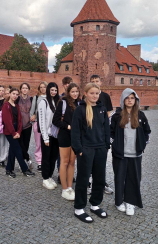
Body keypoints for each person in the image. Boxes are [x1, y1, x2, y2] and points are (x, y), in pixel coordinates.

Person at [71, 83, 110, 223]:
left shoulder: (102, 109)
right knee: (83, 178)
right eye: (92, 93)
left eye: (97, 93)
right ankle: (79, 208)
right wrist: (79, 149)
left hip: (100, 149)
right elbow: (75, 132)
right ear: (86, 93)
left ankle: (95, 204)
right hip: (86, 149)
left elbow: (106, 129)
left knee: (99, 178)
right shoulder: (80, 110)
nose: (95, 96)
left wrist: (106, 146)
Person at [111, 88, 151, 216]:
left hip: (135, 154)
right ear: (123, 99)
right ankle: (118, 202)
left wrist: (142, 143)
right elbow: (110, 132)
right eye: (127, 98)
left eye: (132, 98)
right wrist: (114, 144)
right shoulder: (117, 116)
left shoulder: (140, 115)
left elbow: (146, 131)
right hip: (120, 153)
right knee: (120, 177)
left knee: (133, 178)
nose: (129, 100)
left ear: (136, 100)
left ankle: (130, 202)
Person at [52, 83, 80, 200]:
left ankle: (69, 187)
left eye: (76, 91)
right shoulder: (62, 103)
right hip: (65, 135)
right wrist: (68, 126)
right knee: (64, 161)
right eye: (72, 91)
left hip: (76, 136)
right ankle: (64, 189)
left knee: (72, 162)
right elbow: (55, 120)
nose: (75, 94)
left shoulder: (80, 103)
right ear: (68, 92)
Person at [89, 74, 114, 195]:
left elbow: (108, 115)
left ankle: (102, 183)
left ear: (100, 82)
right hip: (89, 134)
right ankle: (89, 183)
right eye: (92, 81)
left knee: (101, 161)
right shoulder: (87, 97)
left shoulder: (105, 96)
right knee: (88, 161)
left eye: (96, 81)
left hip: (102, 133)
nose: (95, 82)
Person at [1, 88, 35, 178]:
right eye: (13, 93)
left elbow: (20, 120)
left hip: (16, 130)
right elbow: (7, 121)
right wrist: (13, 133)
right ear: (10, 94)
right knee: (18, 149)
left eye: (16, 94)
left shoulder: (16, 106)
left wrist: (19, 132)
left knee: (12, 150)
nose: (15, 96)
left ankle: (9, 169)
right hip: (9, 131)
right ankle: (25, 169)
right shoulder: (6, 105)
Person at [37, 82, 60, 190]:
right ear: (48, 90)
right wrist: (45, 137)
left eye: (55, 90)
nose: (54, 92)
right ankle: (45, 178)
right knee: (46, 157)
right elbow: (41, 121)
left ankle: (50, 176)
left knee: (53, 157)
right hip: (47, 134)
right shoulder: (43, 102)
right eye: (52, 90)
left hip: (55, 135)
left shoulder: (57, 102)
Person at [29, 81, 47, 172]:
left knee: (46, 143)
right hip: (37, 123)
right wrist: (33, 123)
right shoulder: (36, 98)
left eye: (44, 87)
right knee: (38, 144)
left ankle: (45, 161)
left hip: (47, 124)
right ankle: (39, 162)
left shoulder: (50, 97)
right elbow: (32, 111)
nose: (43, 88)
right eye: (41, 87)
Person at [17, 83, 33, 168]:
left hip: (28, 125)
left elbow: (34, 110)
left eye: (26, 88)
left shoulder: (31, 99)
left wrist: (34, 115)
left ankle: (23, 161)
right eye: (23, 88)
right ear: (20, 89)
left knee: (26, 144)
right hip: (19, 125)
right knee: (20, 144)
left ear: (28, 90)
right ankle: (26, 159)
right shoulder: (17, 98)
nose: (24, 89)